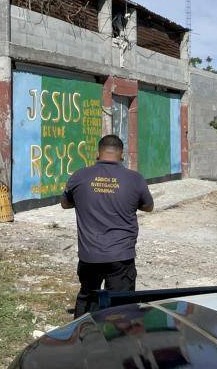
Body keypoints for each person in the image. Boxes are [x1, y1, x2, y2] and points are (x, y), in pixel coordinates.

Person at [61, 135, 154, 317]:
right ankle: (117, 341)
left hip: (90, 254)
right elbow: (149, 207)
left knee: (87, 298)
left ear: (97, 154)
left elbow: (65, 203)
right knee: (121, 305)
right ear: (122, 155)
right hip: (121, 255)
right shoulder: (135, 179)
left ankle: (81, 338)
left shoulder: (79, 176)